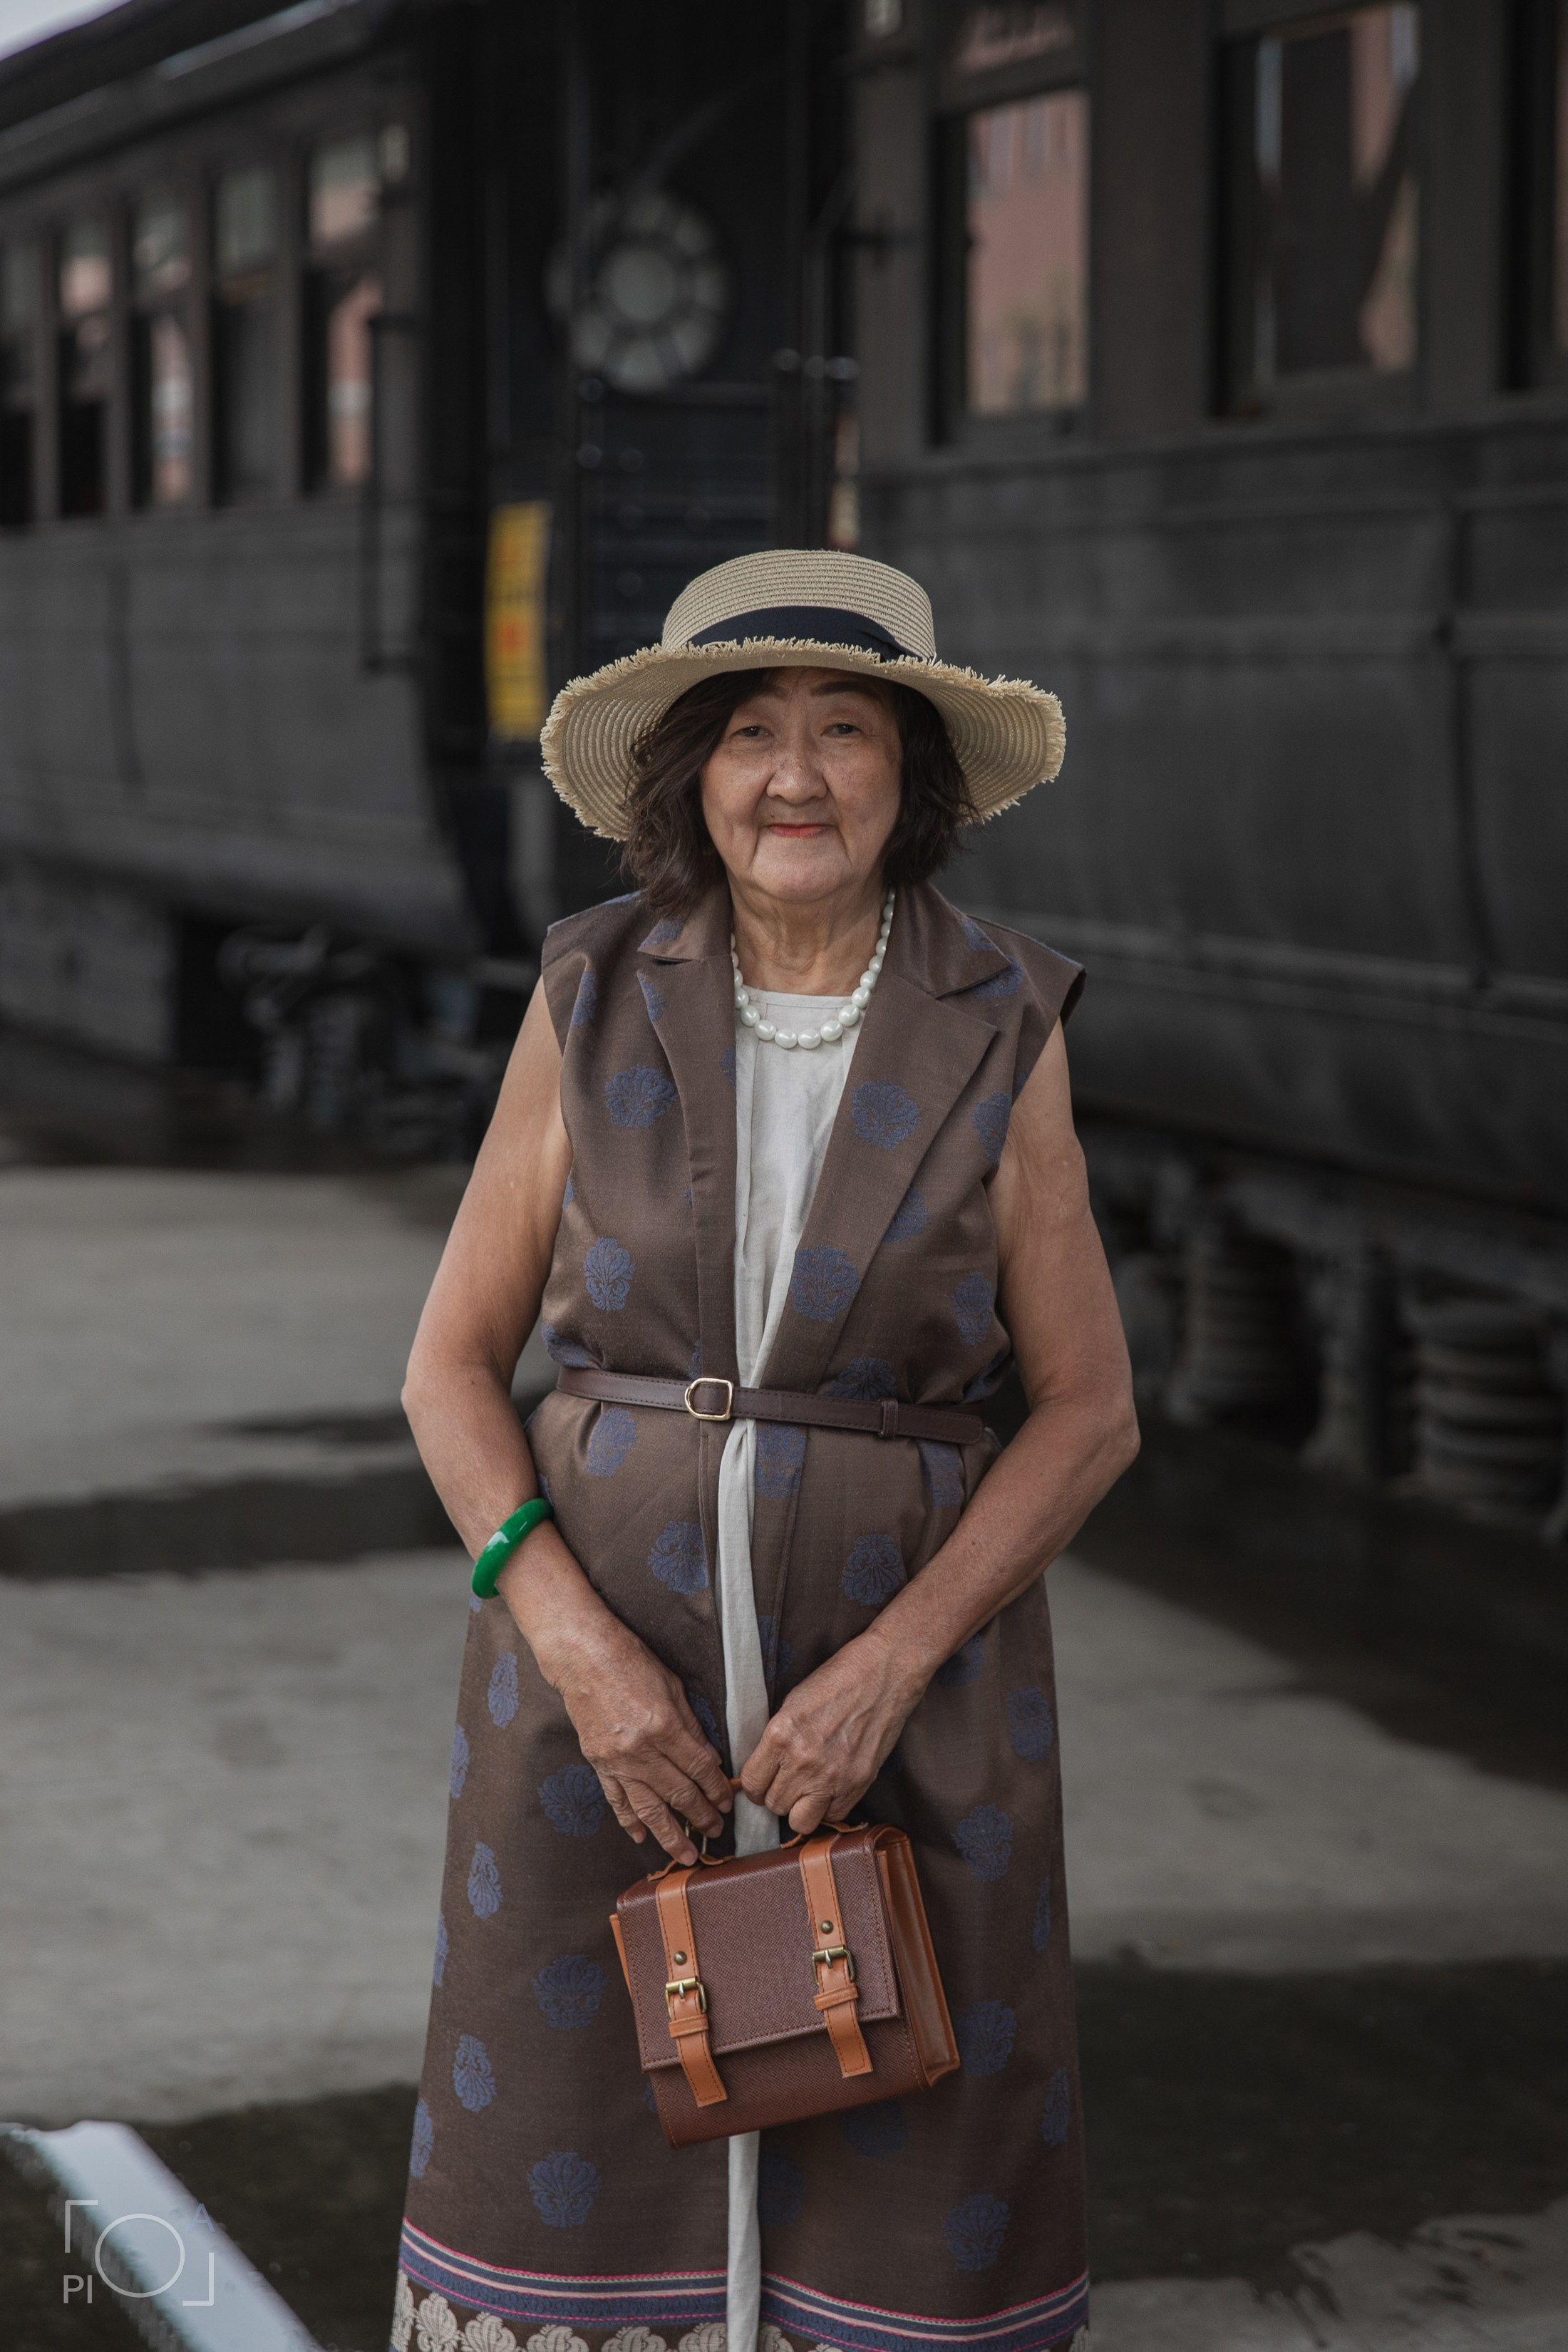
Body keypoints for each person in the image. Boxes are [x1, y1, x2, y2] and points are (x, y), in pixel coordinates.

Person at [392, 550, 1138, 2352]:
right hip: (600, 1740)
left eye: (843, 729)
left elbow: (1087, 1410)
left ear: (911, 775)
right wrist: (576, 1651)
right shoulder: (586, 994)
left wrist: (886, 1669)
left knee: (900, 2168)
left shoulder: (998, 1022)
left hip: (896, 1736)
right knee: (566, 2163)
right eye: (747, 733)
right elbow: (446, 1371)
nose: (791, 775)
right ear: (689, 778)